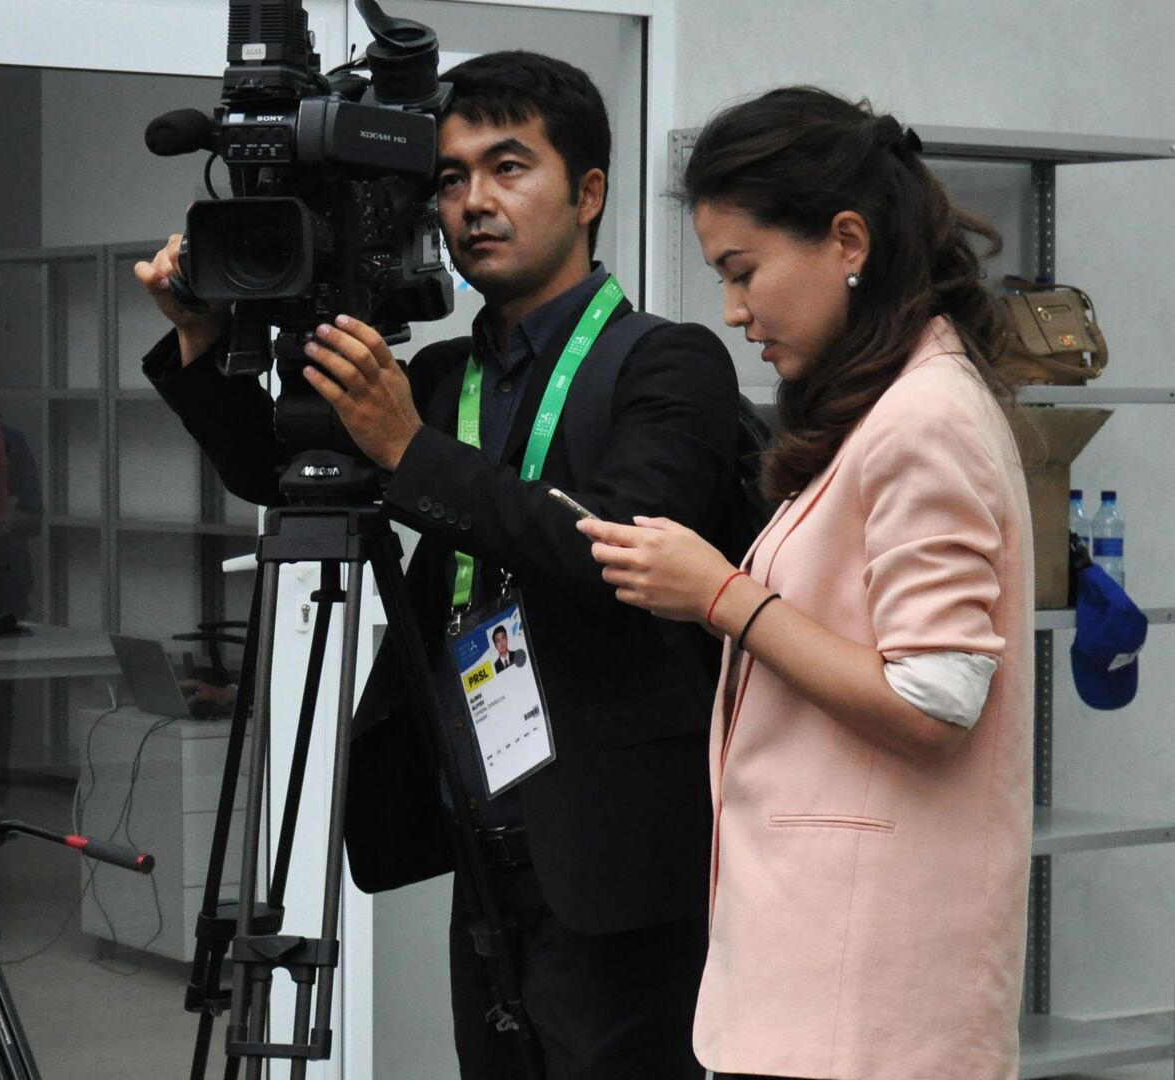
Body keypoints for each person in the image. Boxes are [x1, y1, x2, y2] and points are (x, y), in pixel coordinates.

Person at [135, 51, 741, 1079]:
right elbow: (284, 473)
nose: (474, 203)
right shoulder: (439, 374)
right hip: (482, 834)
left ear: (589, 192)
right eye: (451, 179)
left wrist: (408, 449)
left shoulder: (667, 361)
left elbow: (612, 552)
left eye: (509, 168)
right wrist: (202, 337)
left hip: (617, 850)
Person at [581, 87, 1033, 1080]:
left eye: (743, 272)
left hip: (868, 994)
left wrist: (720, 597)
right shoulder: (888, 407)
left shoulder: (924, 419)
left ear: (846, 240)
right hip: (826, 973)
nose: (733, 311)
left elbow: (933, 697)